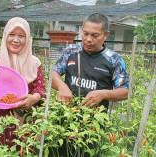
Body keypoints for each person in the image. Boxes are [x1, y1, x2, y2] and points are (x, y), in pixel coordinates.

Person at [51, 13, 129, 156]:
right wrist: (62, 86)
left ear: (106, 35)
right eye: (85, 33)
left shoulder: (114, 60)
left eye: (95, 35)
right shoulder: (71, 52)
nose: (88, 39)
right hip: (65, 120)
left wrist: (103, 94)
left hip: (93, 125)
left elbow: (124, 91)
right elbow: (53, 73)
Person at [0, 17, 46, 148]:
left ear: (27, 39)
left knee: (25, 148)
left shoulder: (34, 62)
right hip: (1, 118)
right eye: (11, 34)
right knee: (1, 150)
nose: (16, 40)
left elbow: (41, 87)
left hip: (27, 118)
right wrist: (0, 102)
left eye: (21, 36)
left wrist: (34, 98)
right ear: (5, 36)